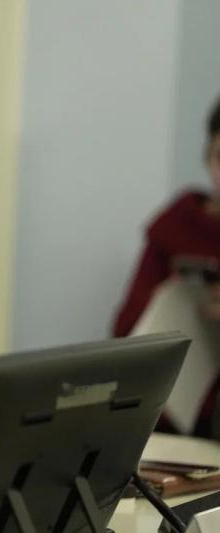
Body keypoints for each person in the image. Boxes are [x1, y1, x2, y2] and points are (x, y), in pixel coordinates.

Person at [113, 94, 220, 437]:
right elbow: (125, 332)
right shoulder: (177, 227)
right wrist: (168, 300)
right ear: (208, 156)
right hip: (169, 412)